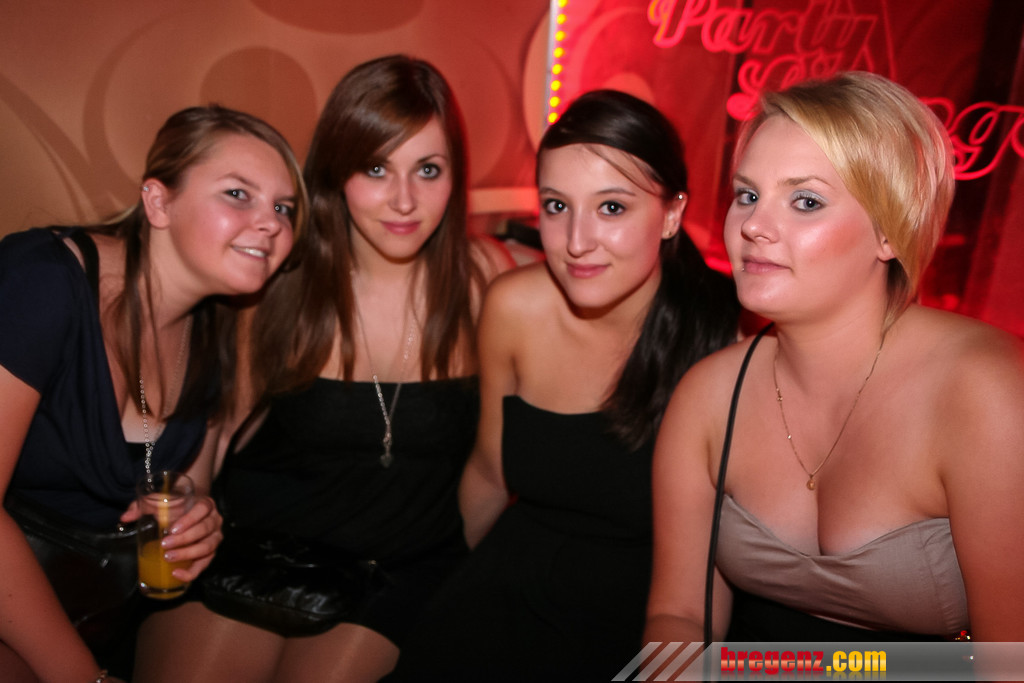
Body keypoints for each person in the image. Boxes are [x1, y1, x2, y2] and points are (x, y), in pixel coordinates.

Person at [134, 55, 511, 683]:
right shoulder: (280, 279)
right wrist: (190, 506)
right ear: (338, 172)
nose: (404, 200)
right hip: (260, 547)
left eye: (428, 169)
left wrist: (457, 571)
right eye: (376, 168)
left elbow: (496, 465)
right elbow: (218, 431)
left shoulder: (484, 281)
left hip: (400, 569)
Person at [644, 71, 1024, 648]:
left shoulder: (984, 390)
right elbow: (678, 617)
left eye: (806, 201)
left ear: (890, 231)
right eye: (747, 195)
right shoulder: (709, 395)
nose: (753, 226)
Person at [391, 89, 741, 681]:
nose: (577, 241)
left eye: (612, 208)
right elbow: (489, 470)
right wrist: (424, 588)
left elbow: (720, 565)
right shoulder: (514, 307)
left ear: (672, 213)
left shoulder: (729, 337)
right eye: (557, 206)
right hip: (508, 588)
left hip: (643, 613)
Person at [0, 105, 304, 682]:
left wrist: (199, 519)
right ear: (159, 203)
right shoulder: (40, 281)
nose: (270, 223)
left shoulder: (220, 326)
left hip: (103, 609)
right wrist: (81, 675)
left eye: (283, 208)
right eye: (238, 194)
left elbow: (189, 489)